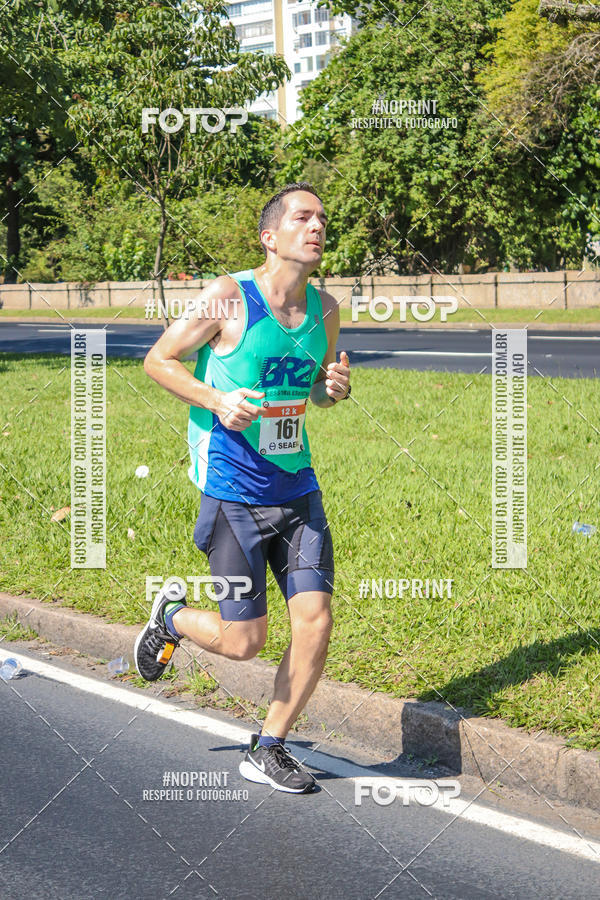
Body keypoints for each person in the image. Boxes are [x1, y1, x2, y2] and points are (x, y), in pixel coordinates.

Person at [134, 182, 351, 794]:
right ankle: (172, 619)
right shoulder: (229, 297)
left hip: (298, 485)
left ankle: (269, 747)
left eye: (321, 219)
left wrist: (330, 389)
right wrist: (214, 397)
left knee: (315, 618)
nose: (316, 227)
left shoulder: (327, 309)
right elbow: (159, 359)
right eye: (303, 217)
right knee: (243, 641)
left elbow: (310, 390)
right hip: (233, 491)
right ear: (270, 236)